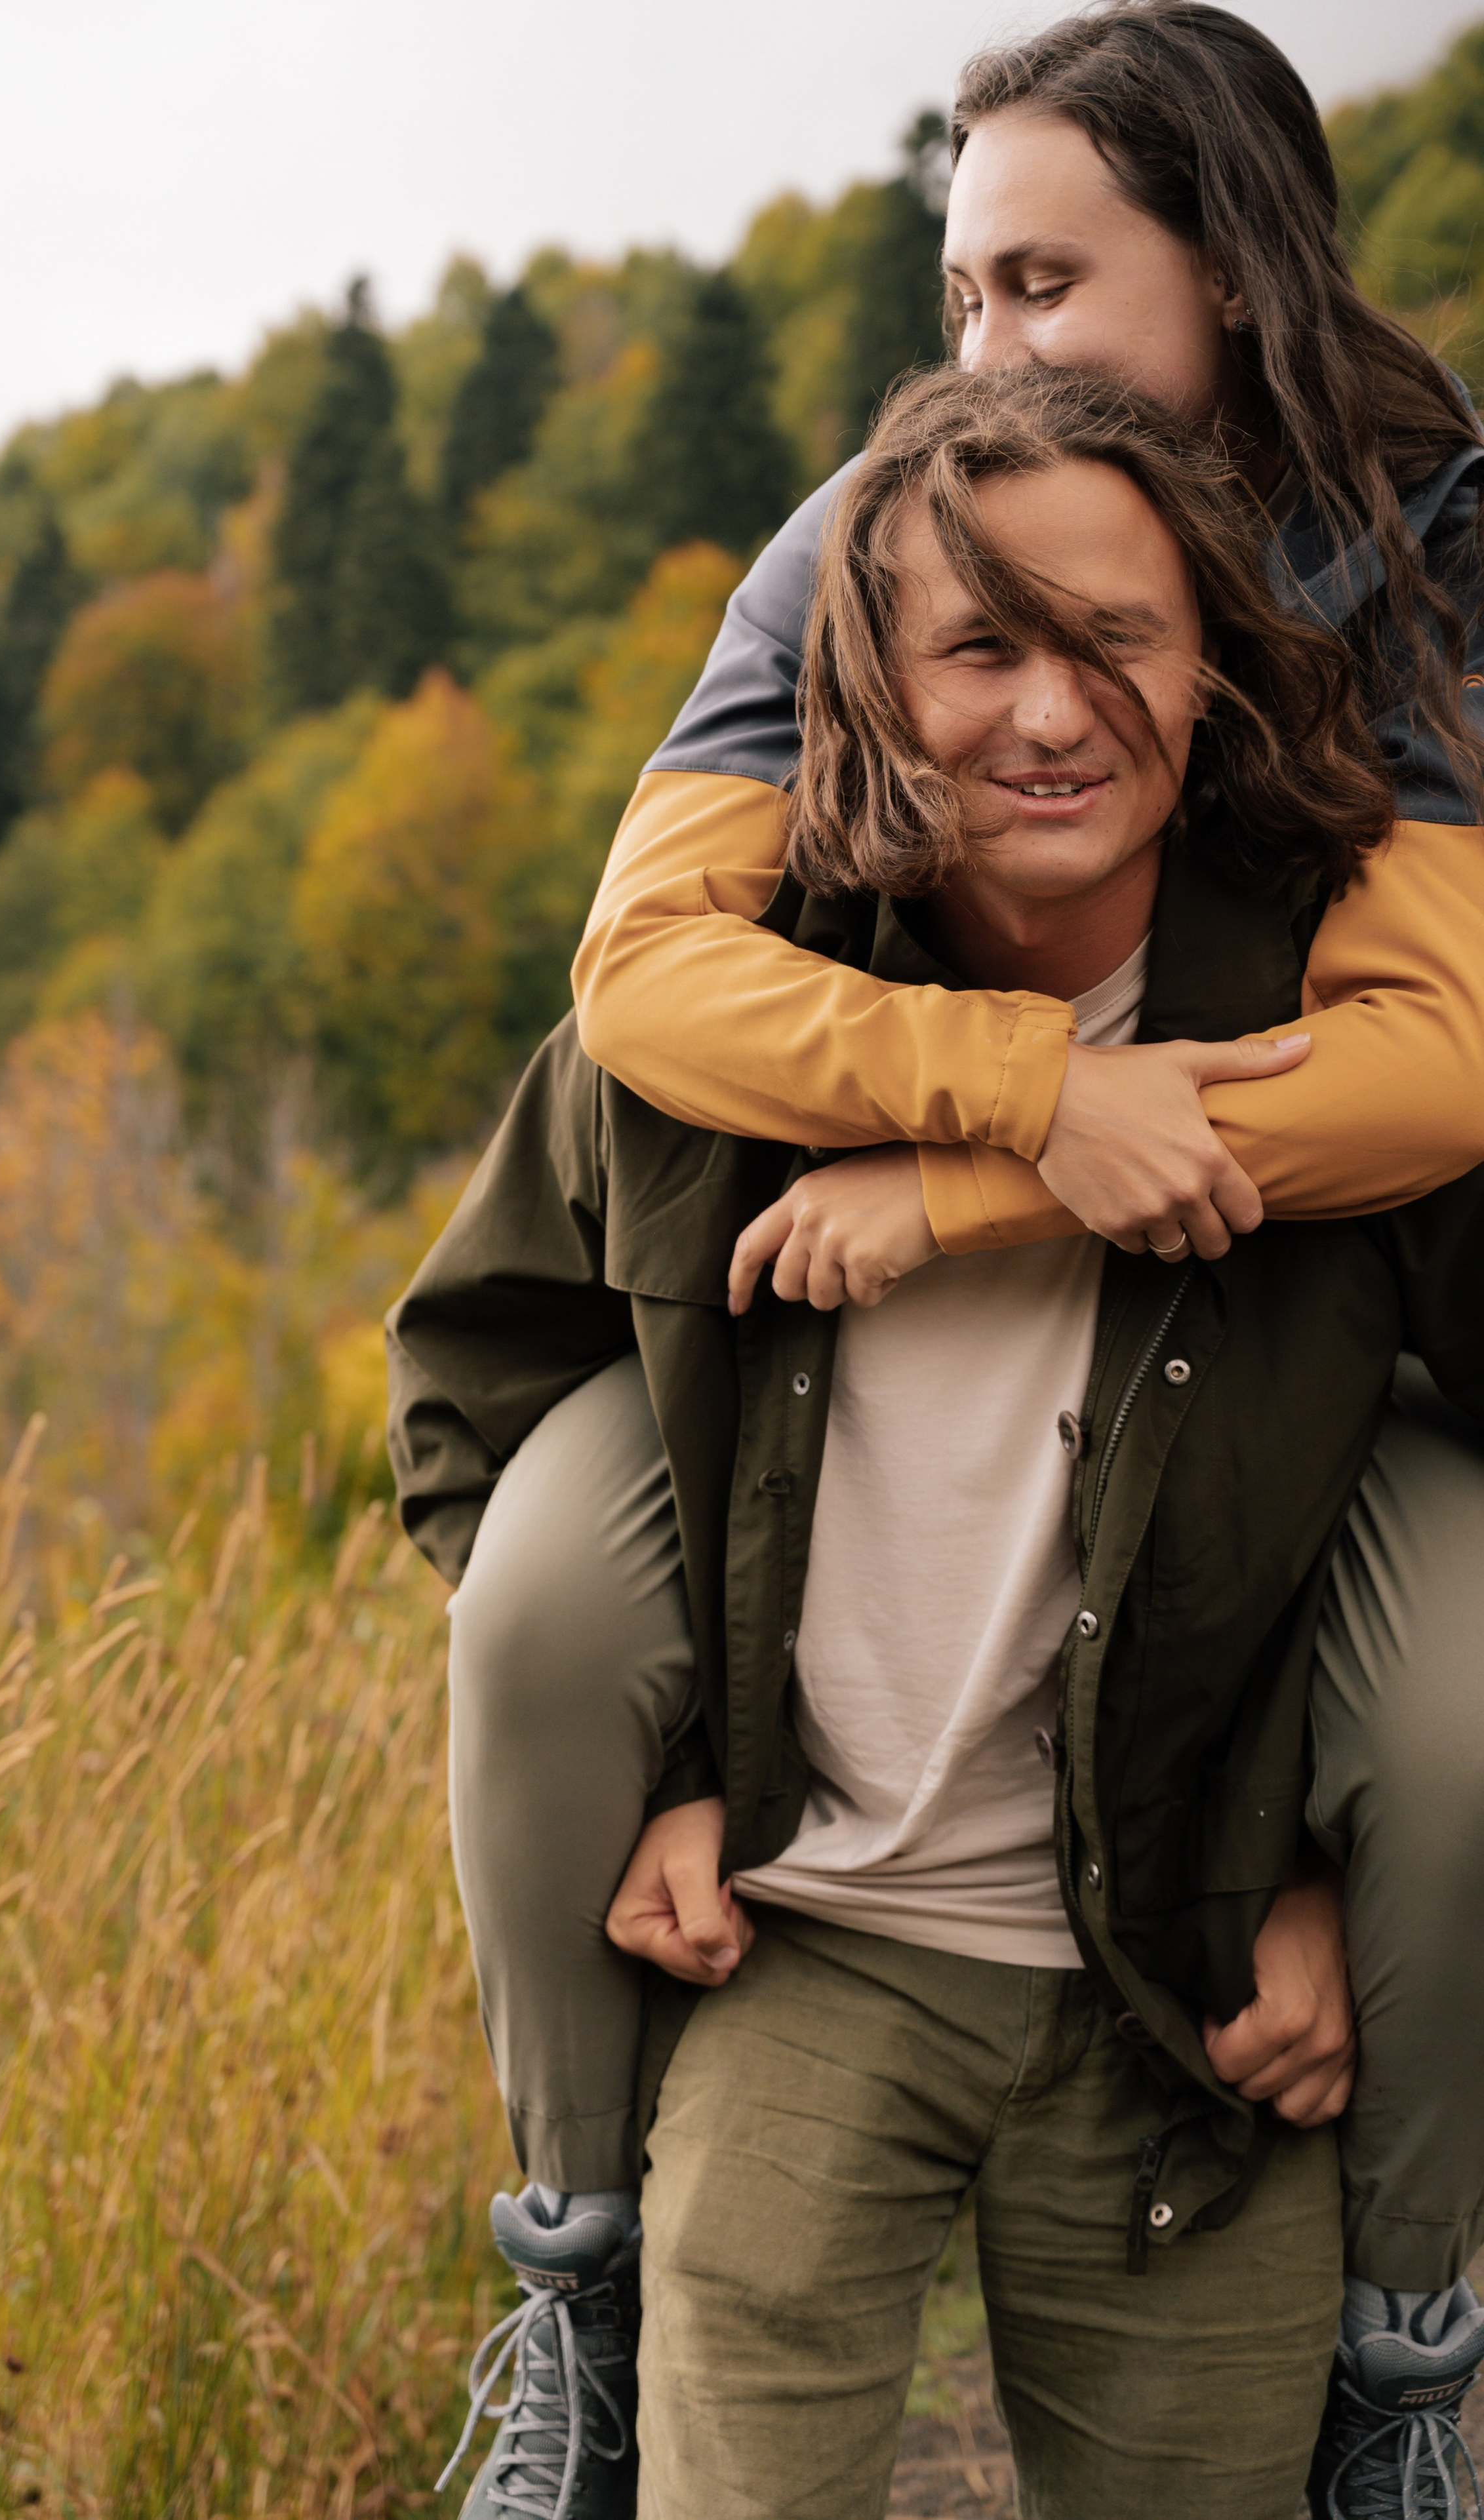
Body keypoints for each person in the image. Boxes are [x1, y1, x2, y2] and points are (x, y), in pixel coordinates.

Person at [393, 367, 1484, 2517]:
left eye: (1116, 642)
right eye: (981, 648)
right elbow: (469, 1386)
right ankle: (577, 2317)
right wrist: (661, 1784)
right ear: (870, 687)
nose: (1053, 712)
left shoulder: (1340, 1056)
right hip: (810, 1956)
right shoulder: (719, 1020)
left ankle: (1408, 2383)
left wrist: (1350, 1870)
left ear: (1220, 670)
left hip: (1195, 1985)